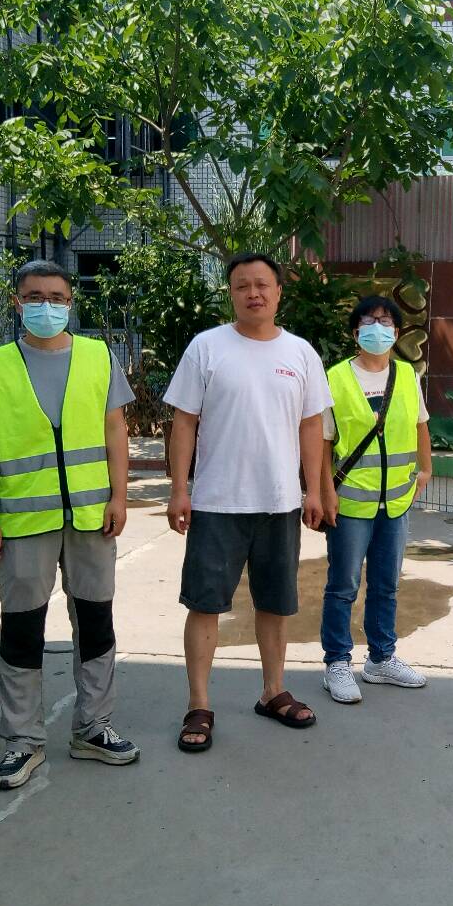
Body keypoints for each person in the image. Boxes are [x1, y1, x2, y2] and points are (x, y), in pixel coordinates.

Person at [0, 259, 140, 790]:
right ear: (17, 304)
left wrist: (120, 497)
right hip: (24, 519)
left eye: (57, 297)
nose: (47, 306)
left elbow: (115, 430)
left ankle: (93, 727)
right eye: (35, 297)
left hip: (91, 516)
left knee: (96, 623)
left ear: (71, 303)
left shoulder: (97, 356)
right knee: (22, 629)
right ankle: (23, 740)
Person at [163, 252, 331, 752]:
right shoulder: (206, 347)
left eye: (262, 284)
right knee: (205, 604)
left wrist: (314, 489)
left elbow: (311, 427)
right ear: (231, 293)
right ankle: (198, 703)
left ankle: (273, 691)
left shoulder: (301, 353)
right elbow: (184, 422)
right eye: (242, 286)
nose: (253, 293)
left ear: (279, 292)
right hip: (217, 501)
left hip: (280, 502)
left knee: (275, 603)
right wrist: (179, 488)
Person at [318, 295, 432, 704]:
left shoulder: (407, 375)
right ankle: (337, 663)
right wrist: (323, 492)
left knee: (386, 584)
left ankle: (381, 658)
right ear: (355, 333)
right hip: (351, 502)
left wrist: (425, 468)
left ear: (397, 333)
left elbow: (420, 423)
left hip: (396, 502)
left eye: (385, 322)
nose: (377, 329)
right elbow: (323, 441)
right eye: (368, 322)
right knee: (343, 585)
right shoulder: (335, 378)